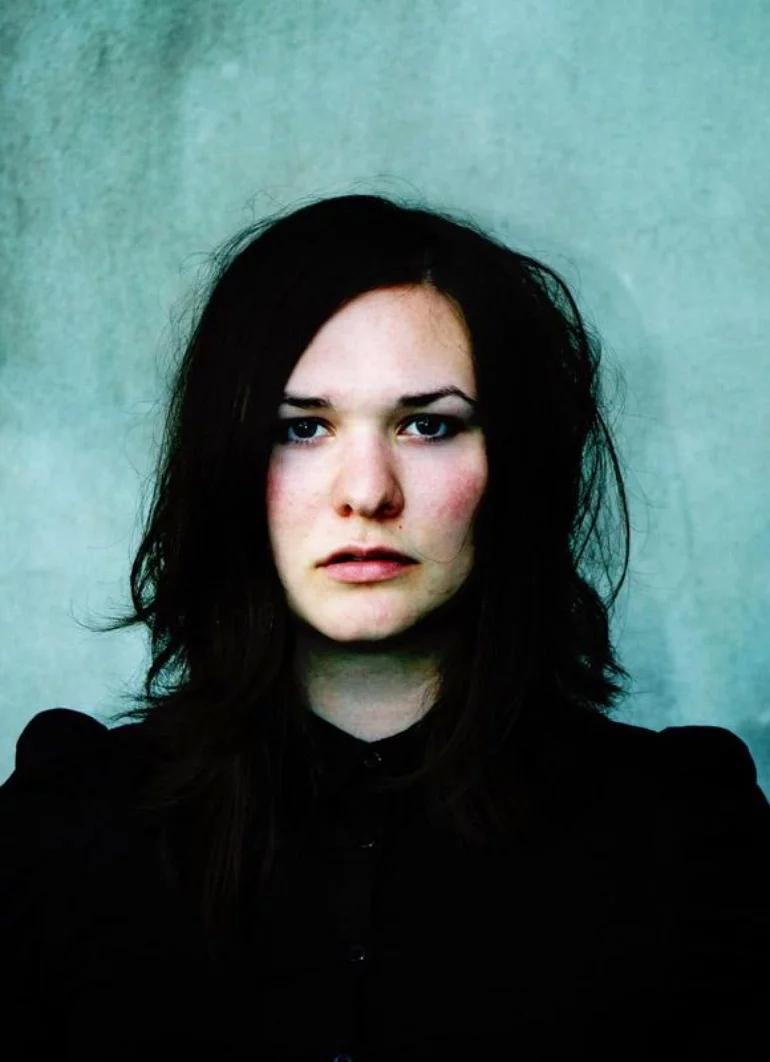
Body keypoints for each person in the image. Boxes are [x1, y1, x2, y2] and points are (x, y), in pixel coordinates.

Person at [2, 193, 769, 1061]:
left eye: (428, 425)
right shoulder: (64, 833)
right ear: (225, 461)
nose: (367, 491)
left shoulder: (686, 840)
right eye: (302, 428)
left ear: (515, 465)